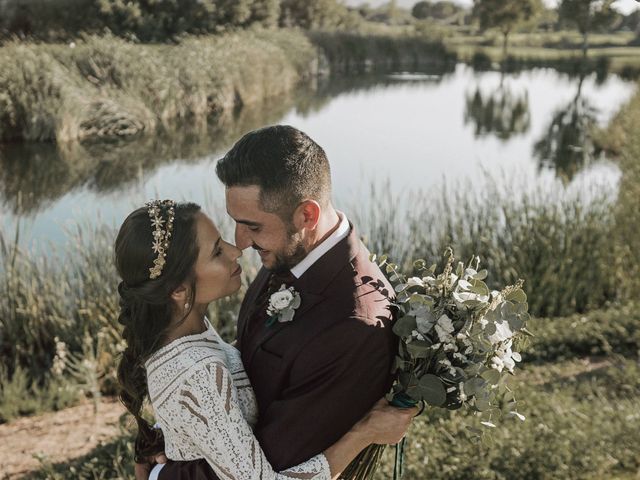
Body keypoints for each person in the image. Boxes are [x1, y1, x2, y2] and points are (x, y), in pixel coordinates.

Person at [134, 125, 402, 479]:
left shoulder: (354, 327)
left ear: (307, 215)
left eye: (253, 226)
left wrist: (157, 475)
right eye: (235, 223)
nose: (240, 242)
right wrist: (175, 432)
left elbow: (271, 466)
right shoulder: (291, 251)